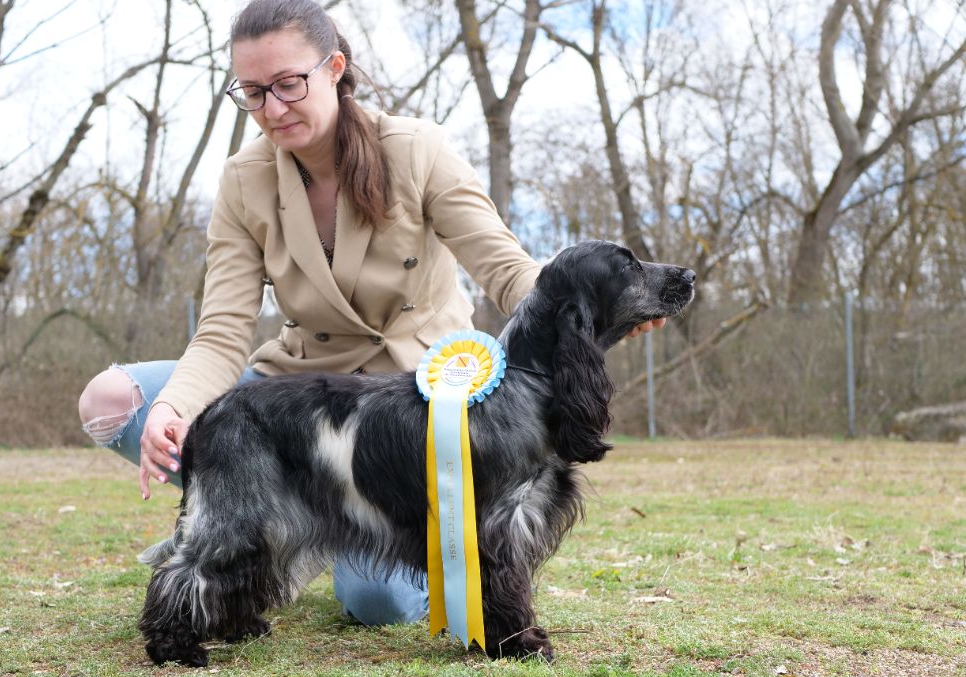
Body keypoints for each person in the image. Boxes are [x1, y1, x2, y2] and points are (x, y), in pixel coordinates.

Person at [78, 0, 665, 628]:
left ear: (334, 68)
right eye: (251, 92)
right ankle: (261, 516)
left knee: (381, 604)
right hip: (297, 396)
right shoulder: (243, 180)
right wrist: (172, 409)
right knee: (111, 398)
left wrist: (601, 307)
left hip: (418, 410)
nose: (272, 108)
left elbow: (507, 270)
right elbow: (223, 331)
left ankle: (304, 528)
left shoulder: (418, 150)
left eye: (288, 84)